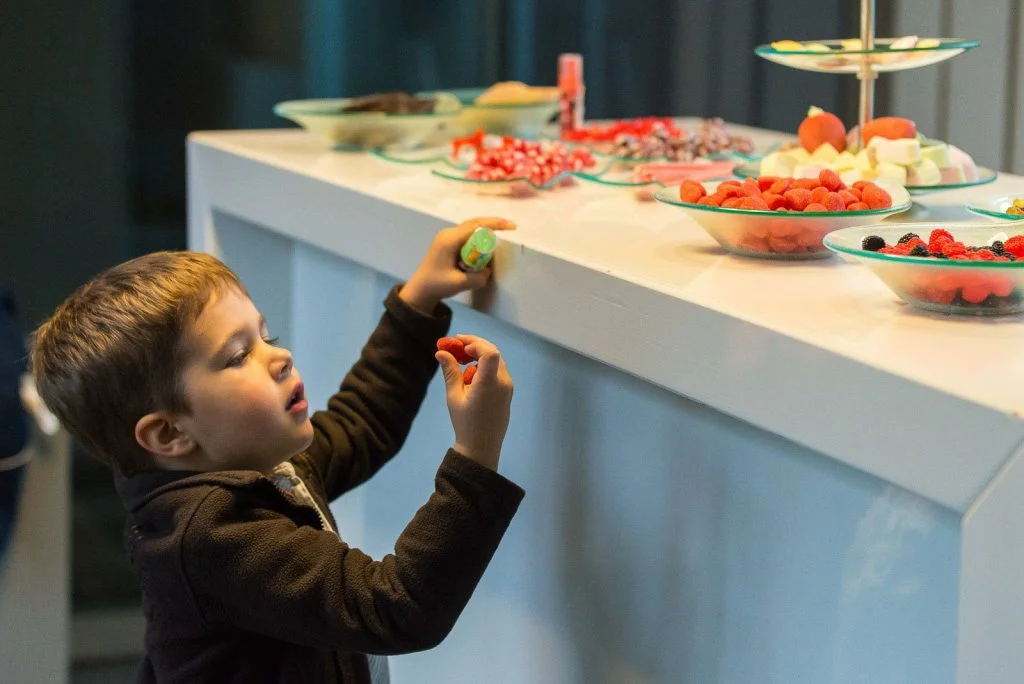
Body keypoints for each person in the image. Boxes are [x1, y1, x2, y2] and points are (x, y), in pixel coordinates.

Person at [30, 217, 523, 683]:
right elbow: (394, 607)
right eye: (239, 355)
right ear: (170, 436)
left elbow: (361, 423)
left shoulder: (249, 468)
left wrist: (418, 301)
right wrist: (475, 454)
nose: (280, 356)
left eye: (266, 336)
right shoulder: (213, 534)